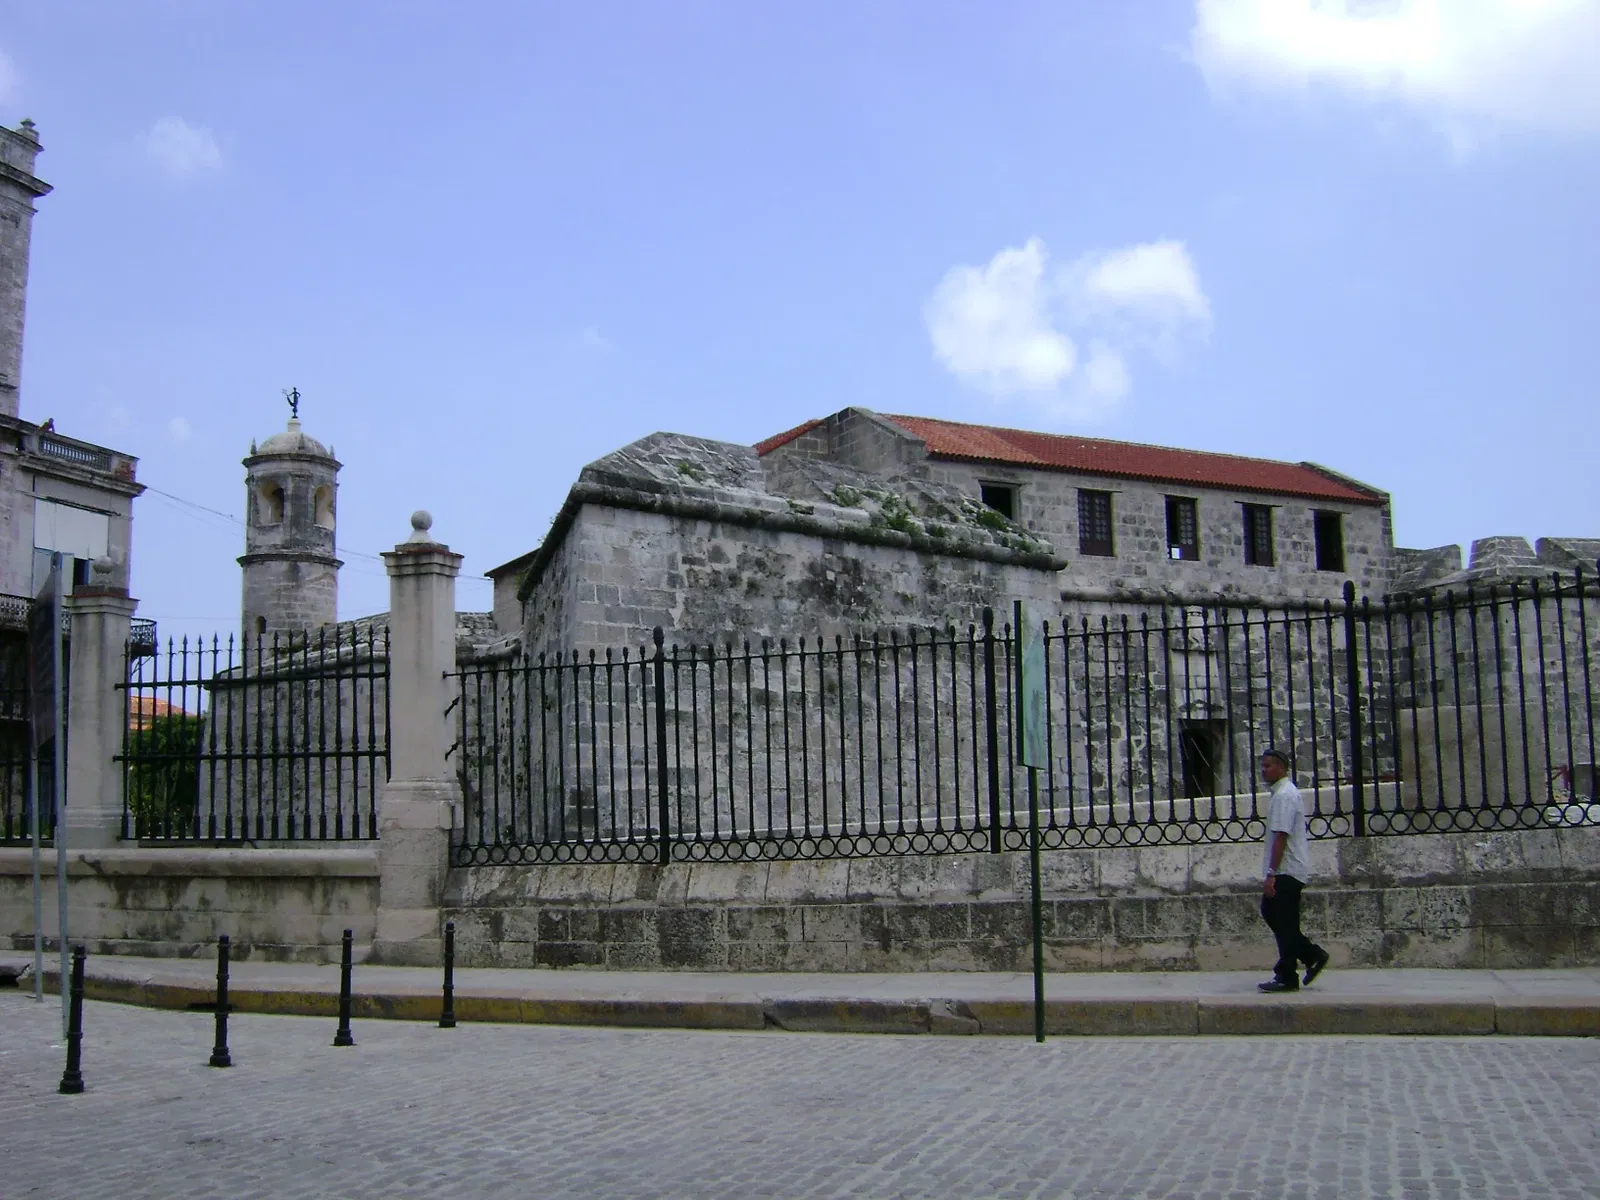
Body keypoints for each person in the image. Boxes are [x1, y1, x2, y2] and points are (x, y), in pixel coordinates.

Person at [1257, 749, 1329, 992]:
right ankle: (1308, 958)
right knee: (1279, 918)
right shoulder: (1282, 793)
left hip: (1286, 870)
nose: (1264, 770)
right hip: (1287, 869)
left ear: (1281, 767)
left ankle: (1292, 970)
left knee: (1280, 918)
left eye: (1268, 766)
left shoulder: (1284, 796)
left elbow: (1281, 836)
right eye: (1263, 766)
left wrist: (1271, 873)